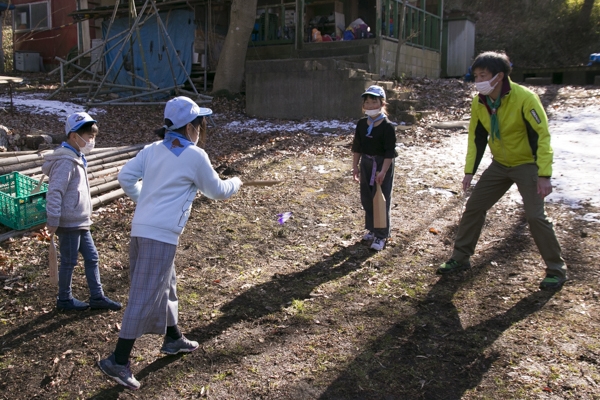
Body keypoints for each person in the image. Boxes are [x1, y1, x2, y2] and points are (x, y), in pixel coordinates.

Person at [98, 96, 242, 390]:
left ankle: (173, 338)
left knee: (166, 284)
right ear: (190, 126)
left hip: (142, 230)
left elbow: (125, 177)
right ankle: (118, 359)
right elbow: (216, 191)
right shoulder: (194, 156)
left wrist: (145, 200)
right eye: (200, 124)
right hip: (160, 235)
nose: (201, 129)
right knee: (144, 293)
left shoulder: (152, 150)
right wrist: (236, 183)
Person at [437, 51, 568, 291]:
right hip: (500, 164)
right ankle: (460, 258)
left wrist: (544, 175)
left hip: (527, 164)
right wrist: (469, 171)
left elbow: (542, 136)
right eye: (475, 76)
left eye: (483, 75)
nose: (478, 80)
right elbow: (476, 137)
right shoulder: (480, 101)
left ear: (499, 76)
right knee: (474, 207)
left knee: (535, 216)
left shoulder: (525, 98)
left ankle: (556, 270)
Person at [42, 112, 122, 312]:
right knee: (69, 261)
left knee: (92, 257)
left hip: (80, 220)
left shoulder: (77, 157)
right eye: (88, 136)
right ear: (73, 135)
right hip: (69, 222)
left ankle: (97, 296)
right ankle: (64, 299)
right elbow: (55, 192)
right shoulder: (65, 161)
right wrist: (53, 219)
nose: (91, 141)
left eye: (93, 137)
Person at [351, 85, 397, 251]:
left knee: (381, 200)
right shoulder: (362, 124)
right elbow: (357, 147)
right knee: (367, 198)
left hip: (382, 164)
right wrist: (355, 167)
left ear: (382, 103)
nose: (370, 106)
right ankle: (371, 229)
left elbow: (389, 153)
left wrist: (383, 172)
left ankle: (381, 235)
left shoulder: (387, 126)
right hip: (366, 164)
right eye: (367, 102)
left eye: (374, 102)